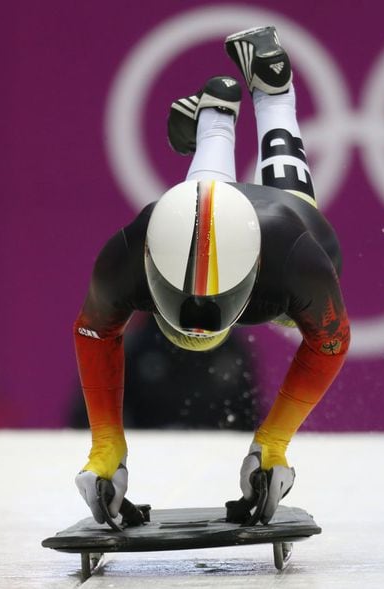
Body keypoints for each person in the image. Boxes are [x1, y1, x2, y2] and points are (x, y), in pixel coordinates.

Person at [74, 26, 350, 524]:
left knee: (287, 201)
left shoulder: (296, 261)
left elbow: (94, 335)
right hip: (227, 231)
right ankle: (231, 110)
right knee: (203, 203)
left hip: (280, 235)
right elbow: (93, 333)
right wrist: (105, 447)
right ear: (153, 275)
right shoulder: (132, 253)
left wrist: (273, 442)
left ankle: (251, 103)